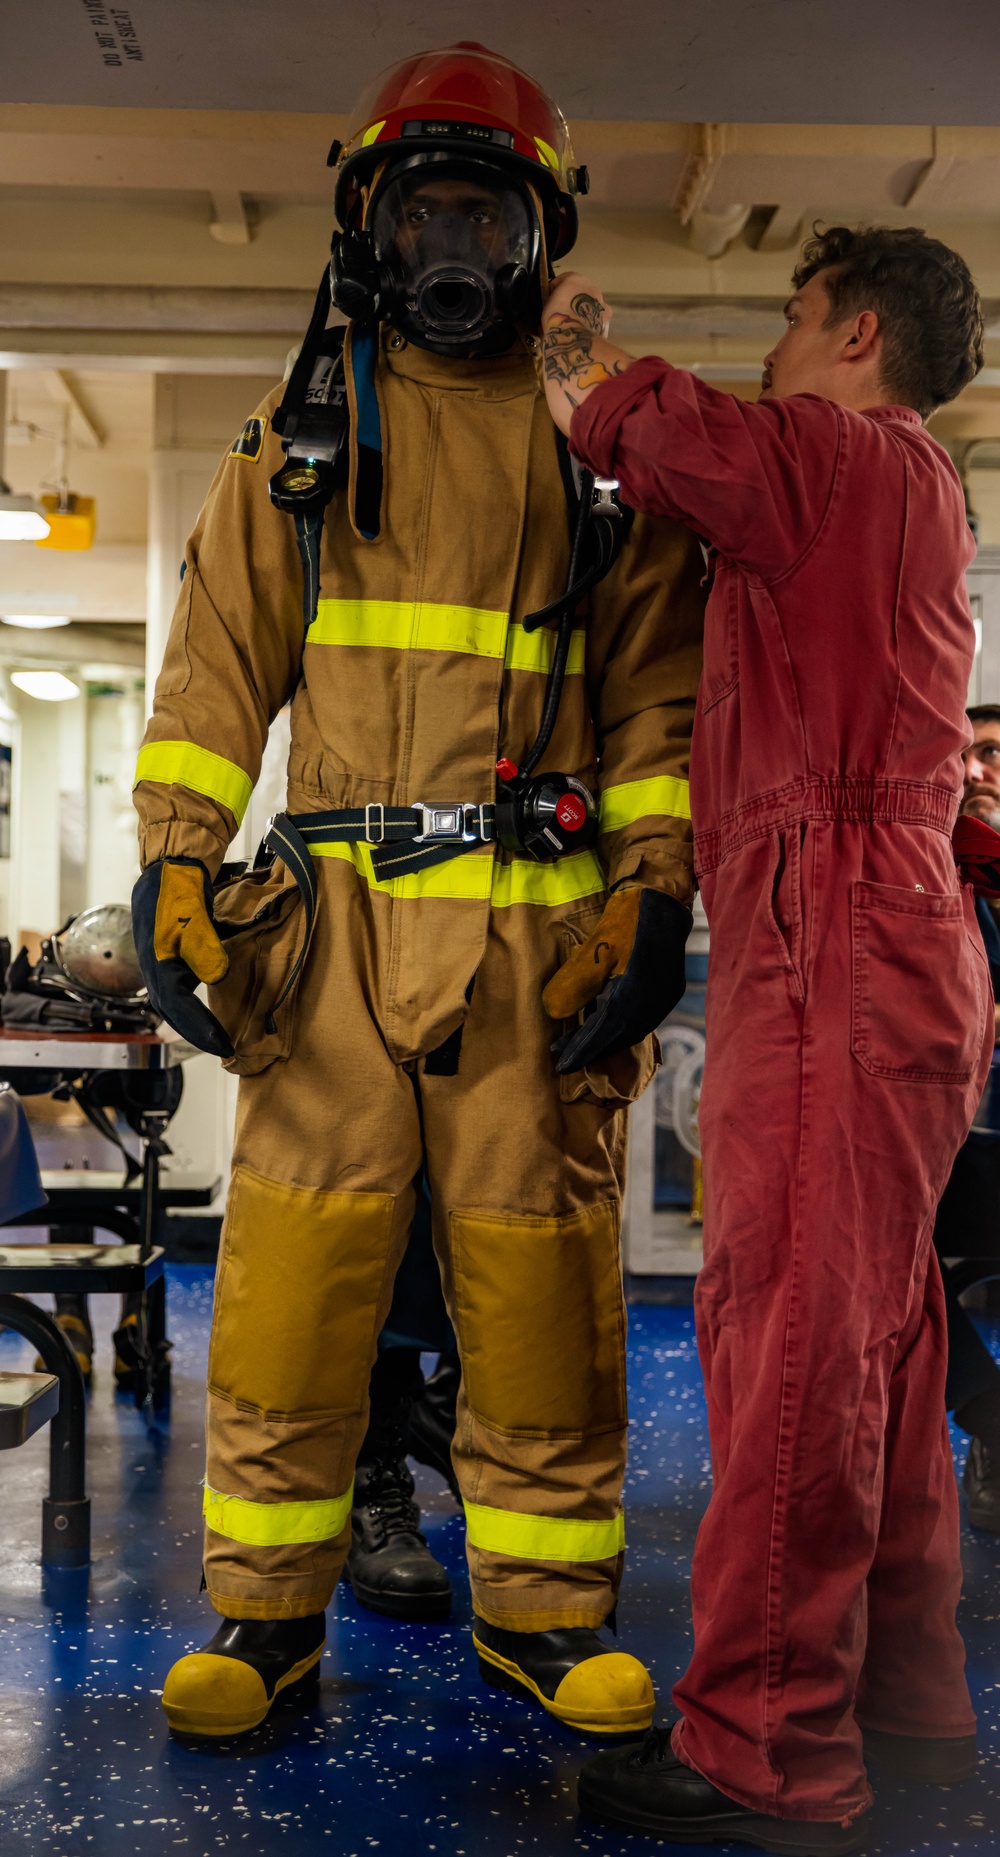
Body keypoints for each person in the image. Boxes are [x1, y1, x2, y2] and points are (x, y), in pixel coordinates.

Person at [129, 43, 705, 1742]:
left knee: (536, 1275)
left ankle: (541, 1616)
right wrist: (174, 866)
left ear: (545, 234)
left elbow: (656, 706)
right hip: (327, 937)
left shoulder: (603, 457)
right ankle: (264, 1614)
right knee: (297, 1276)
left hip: (534, 927)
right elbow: (214, 671)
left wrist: (651, 893)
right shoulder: (293, 441)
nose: (460, 244)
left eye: (491, 211)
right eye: (429, 205)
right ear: (369, 221)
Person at [540, 226, 989, 1853]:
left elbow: (669, 432)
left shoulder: (836, 458)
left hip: (832, 958)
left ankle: (766, 1746)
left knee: (793, 1341)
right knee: (882, 1338)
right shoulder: (919, 489)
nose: (779, 349)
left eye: (795, 319)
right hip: (906, 957)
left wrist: (571, 345)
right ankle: (911, 1696)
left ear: (857, 333)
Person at [934, 705, 1000, 1530]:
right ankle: (991, 1413)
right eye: (970, 755)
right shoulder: (946, 882)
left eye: (991, 755)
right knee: (879, 1235)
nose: (979, 771)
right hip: (957, 1156)